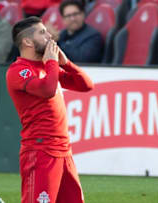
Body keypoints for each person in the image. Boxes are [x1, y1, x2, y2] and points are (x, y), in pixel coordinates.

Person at [6, 16, 94, 203]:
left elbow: (86, 85)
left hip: (63, 151)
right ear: (28, 41)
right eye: (42, 33)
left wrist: (66, 63)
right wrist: (53, 63)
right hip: (40, 151)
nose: (50, 36)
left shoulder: (48, 67)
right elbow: (47, 90)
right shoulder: (19, 70)